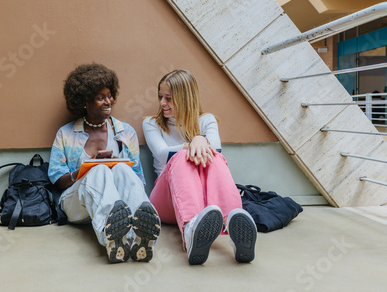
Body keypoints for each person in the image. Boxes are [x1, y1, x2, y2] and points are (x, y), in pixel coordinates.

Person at [48, 63, 160, 264]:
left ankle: (139, 239)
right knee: (99, 169)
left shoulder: (125, 133)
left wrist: (118, 166)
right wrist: (87, 168)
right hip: (76, 204)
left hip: (118, 204)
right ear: (85, 102)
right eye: (101, 98)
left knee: (122, 170)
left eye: (110, 96)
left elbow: (138, 179)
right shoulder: (66, 134)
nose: (109, 101)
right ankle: (111, 237)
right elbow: (57, 180)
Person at [143, 69, 257, 265]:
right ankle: (190, 230)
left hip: (207, 204)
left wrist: (199, 138)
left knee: (216, 158)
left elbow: (216, 151)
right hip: (167, 202)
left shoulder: (206, 120)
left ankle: (232, 225)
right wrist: (194, 143)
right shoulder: (151, 123)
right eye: (160, 97)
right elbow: (161, 152)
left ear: (185, 98)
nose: (162, 103)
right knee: (180, 157)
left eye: (168, 98)